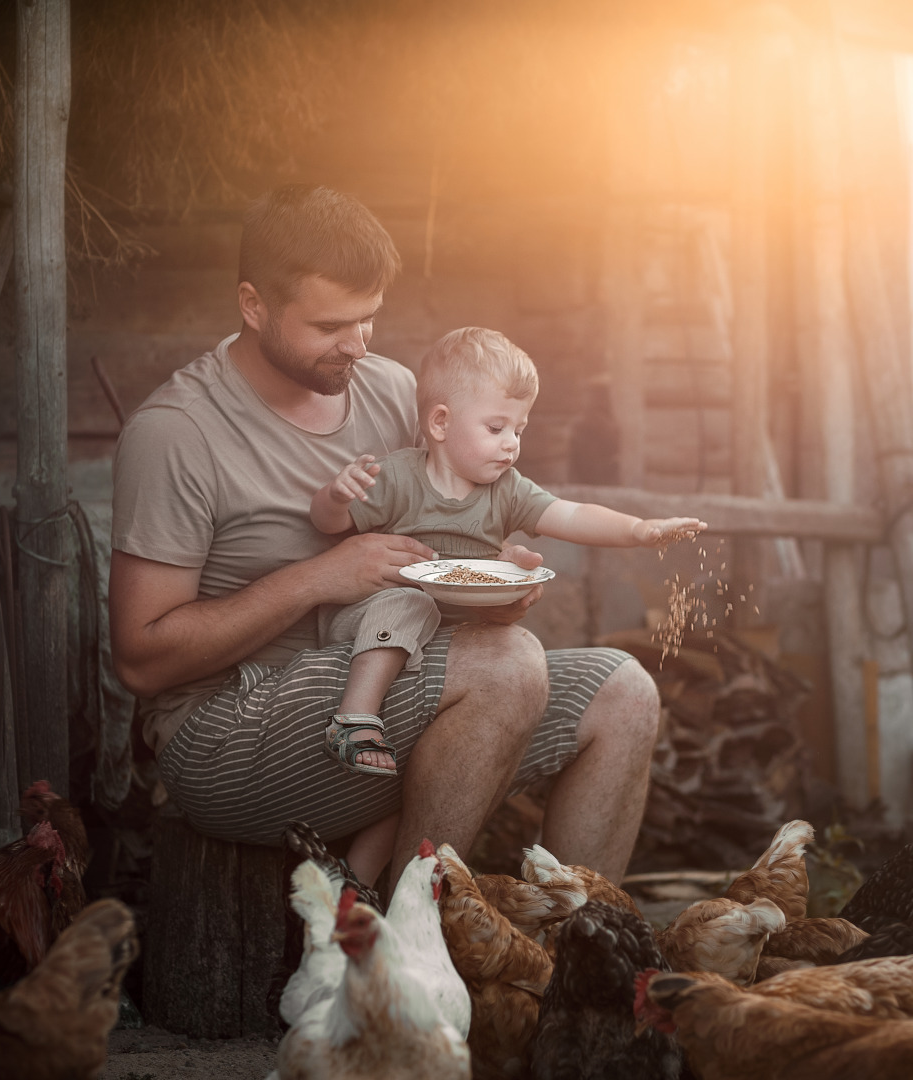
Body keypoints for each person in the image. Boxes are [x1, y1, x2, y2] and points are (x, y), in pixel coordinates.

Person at [108, 185, 662, 888]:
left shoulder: (392, 391)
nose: (358, 345)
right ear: (253, 305)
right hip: (226, 732)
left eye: (369, 319)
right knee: (505, 667)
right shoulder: (177, 433)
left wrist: (489, 580)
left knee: (624, 691)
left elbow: (440, 535)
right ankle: (401, 948)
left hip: (383, 679)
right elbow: (141, 662)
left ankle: (575, 964)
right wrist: (319, 577)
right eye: (331, 325)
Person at [308, 326, 703, 782]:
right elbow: (327, 524)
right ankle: (354, 718)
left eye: (519, 429)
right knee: (409, 600)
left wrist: (639, 530)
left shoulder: (507, 490)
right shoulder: (398, 477)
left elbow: (571, 515)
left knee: (404, 773)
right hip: (370, 621)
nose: (512, 442)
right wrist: (336, 497)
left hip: (447, 648)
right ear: (440, 423)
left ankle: (370, 855)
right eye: (496, 428)